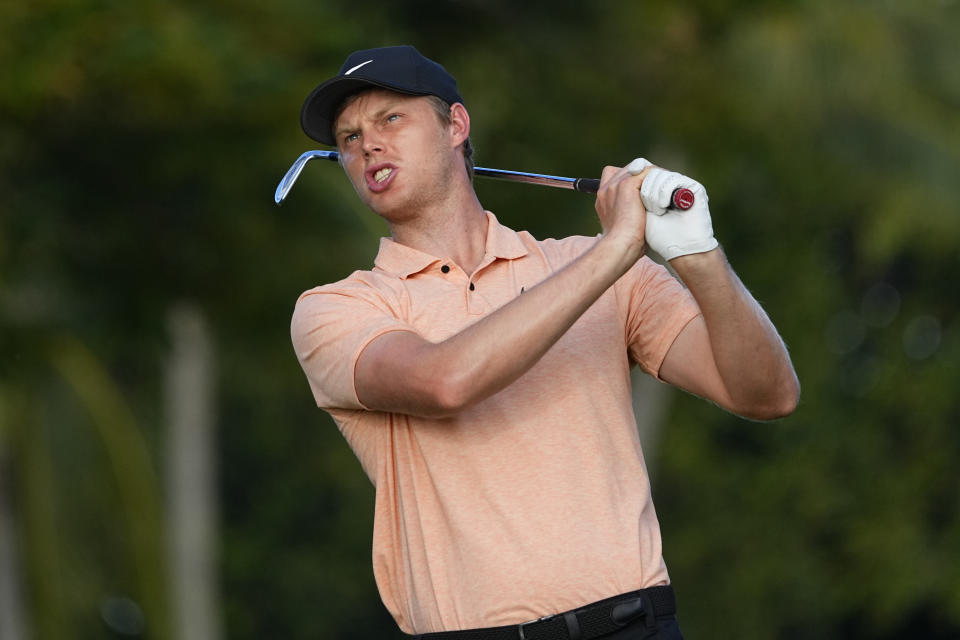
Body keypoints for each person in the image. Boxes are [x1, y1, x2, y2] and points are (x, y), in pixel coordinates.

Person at [290, 45, 800, 640]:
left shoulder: (590, 268)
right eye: (349, 138)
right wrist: (615, 249)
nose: (367, 145)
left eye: (390, 119)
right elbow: (445, 382)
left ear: (456, 125)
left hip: (633, 625)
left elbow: (767, 394)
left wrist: (699, 254)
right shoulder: (337, 308)